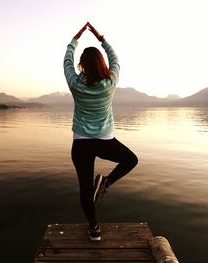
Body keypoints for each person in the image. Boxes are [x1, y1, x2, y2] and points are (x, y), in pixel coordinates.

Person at [63, 22, 138, 241]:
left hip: (81, 144)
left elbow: (66, 60)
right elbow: (115, 59)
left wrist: (74, 40)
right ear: (102, 64)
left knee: (85, 189)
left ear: (82, 66)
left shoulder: (75, 84)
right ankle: (105, 182)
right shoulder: (110, 82)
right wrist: (100, 37)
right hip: (106, 140)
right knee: (130, 160)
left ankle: (94, 228)